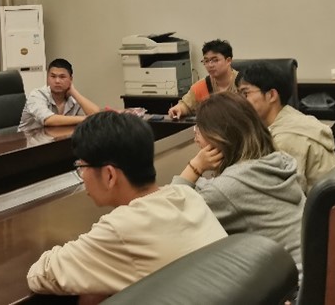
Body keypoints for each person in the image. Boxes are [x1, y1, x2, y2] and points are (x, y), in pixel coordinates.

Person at [27, 111, 226, 297]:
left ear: (109, 175)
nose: (82, 175)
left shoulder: (120, 228)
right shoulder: (188, 195)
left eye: (82, 166)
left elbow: (40, 274)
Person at [173, 92, 304, 282]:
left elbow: (171, 216)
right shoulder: (278, 161)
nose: (196, 139)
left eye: (199, 131)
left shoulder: (228, 188)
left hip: (289, 290)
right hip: (308, 278)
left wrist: (195, 167)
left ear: (219, 138)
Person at [238, 63, 335, 193]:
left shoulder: (288, 137)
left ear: (272, 95)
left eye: (245, 93)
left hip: (318, 204)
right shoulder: (288, 119)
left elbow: (286, 195)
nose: (239, 101)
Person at [19, 59, 100, 132]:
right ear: (47, 78)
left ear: (71, 79)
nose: (57, 81)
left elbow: (97, 116)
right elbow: (48, 120)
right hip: (27, 141)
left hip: (57, 139)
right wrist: (86, 119)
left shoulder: (73, 98)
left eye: (62, 77)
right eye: (53, 76)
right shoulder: (36, 95)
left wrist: (75, 93)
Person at [168, 39, 239, 118]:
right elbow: (186, 105)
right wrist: (178, 109)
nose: (210, 65)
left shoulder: (242, 83)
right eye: (206, 61)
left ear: (228, 61)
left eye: (215, 60)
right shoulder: (202, 85)